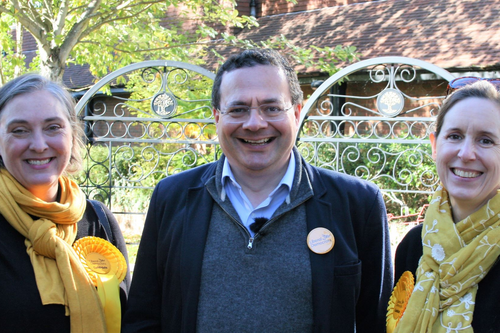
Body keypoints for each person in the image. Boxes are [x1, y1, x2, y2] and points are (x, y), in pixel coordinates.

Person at [123, 48, 393, 333]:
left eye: (272, 108)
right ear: (217, 117)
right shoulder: (171, 197)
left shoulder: (358, 204)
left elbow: (376, 322)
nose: (255, 123)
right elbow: (143, 319)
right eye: (238, 109)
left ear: (297, 113)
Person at [0, 74, 130, 332]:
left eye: (53, 127)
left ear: (72, 135)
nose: (39, 145)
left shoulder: (98, 219)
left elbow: (132, 319)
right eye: (19, 130)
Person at [391, 79, 500, 333]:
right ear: (434, 145)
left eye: (485, 140)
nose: (466, 153)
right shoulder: (414, 245)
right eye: (454, 136)